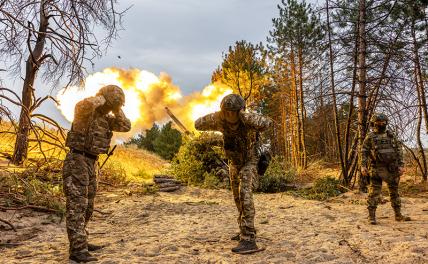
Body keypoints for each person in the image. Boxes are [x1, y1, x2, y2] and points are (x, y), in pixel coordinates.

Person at [194, 94, 271, 254]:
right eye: (226, 112)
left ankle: (249, 239)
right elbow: (197, 124)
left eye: (233, 112)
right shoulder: (220, 120)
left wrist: (245, 115)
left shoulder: (247, 121)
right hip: (234, 163)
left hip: (251, 161)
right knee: (237, 198)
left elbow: (267, 123)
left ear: (240, 111)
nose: (230, 115)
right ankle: (244, 229)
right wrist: (216, 115)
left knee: (245, 194)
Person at [63, 85, 131, 262]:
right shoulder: (84, 111)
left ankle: (82, 242)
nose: (109, 108)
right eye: (110, 104)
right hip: (77, 159)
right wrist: (100, 98)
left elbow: (125, 126)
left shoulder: (106, 119)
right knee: (77, 205)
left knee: (88, 206)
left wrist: (118, 109)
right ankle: (77, 250)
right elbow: (82, 105)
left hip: (92, 162)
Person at [361, 113, 411, 225]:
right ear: (373, 123)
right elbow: (364, 151)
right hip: (376, 168)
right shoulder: (370, 137)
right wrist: (363, 166)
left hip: (392, 169)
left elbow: (399, 151)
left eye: (383, 122)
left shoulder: (391, 136)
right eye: (378, 122)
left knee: (394, 193)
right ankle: (371, 217)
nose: (381, 124)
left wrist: (401, 165)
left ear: (386, 123)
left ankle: (398, 215)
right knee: (374, 193)